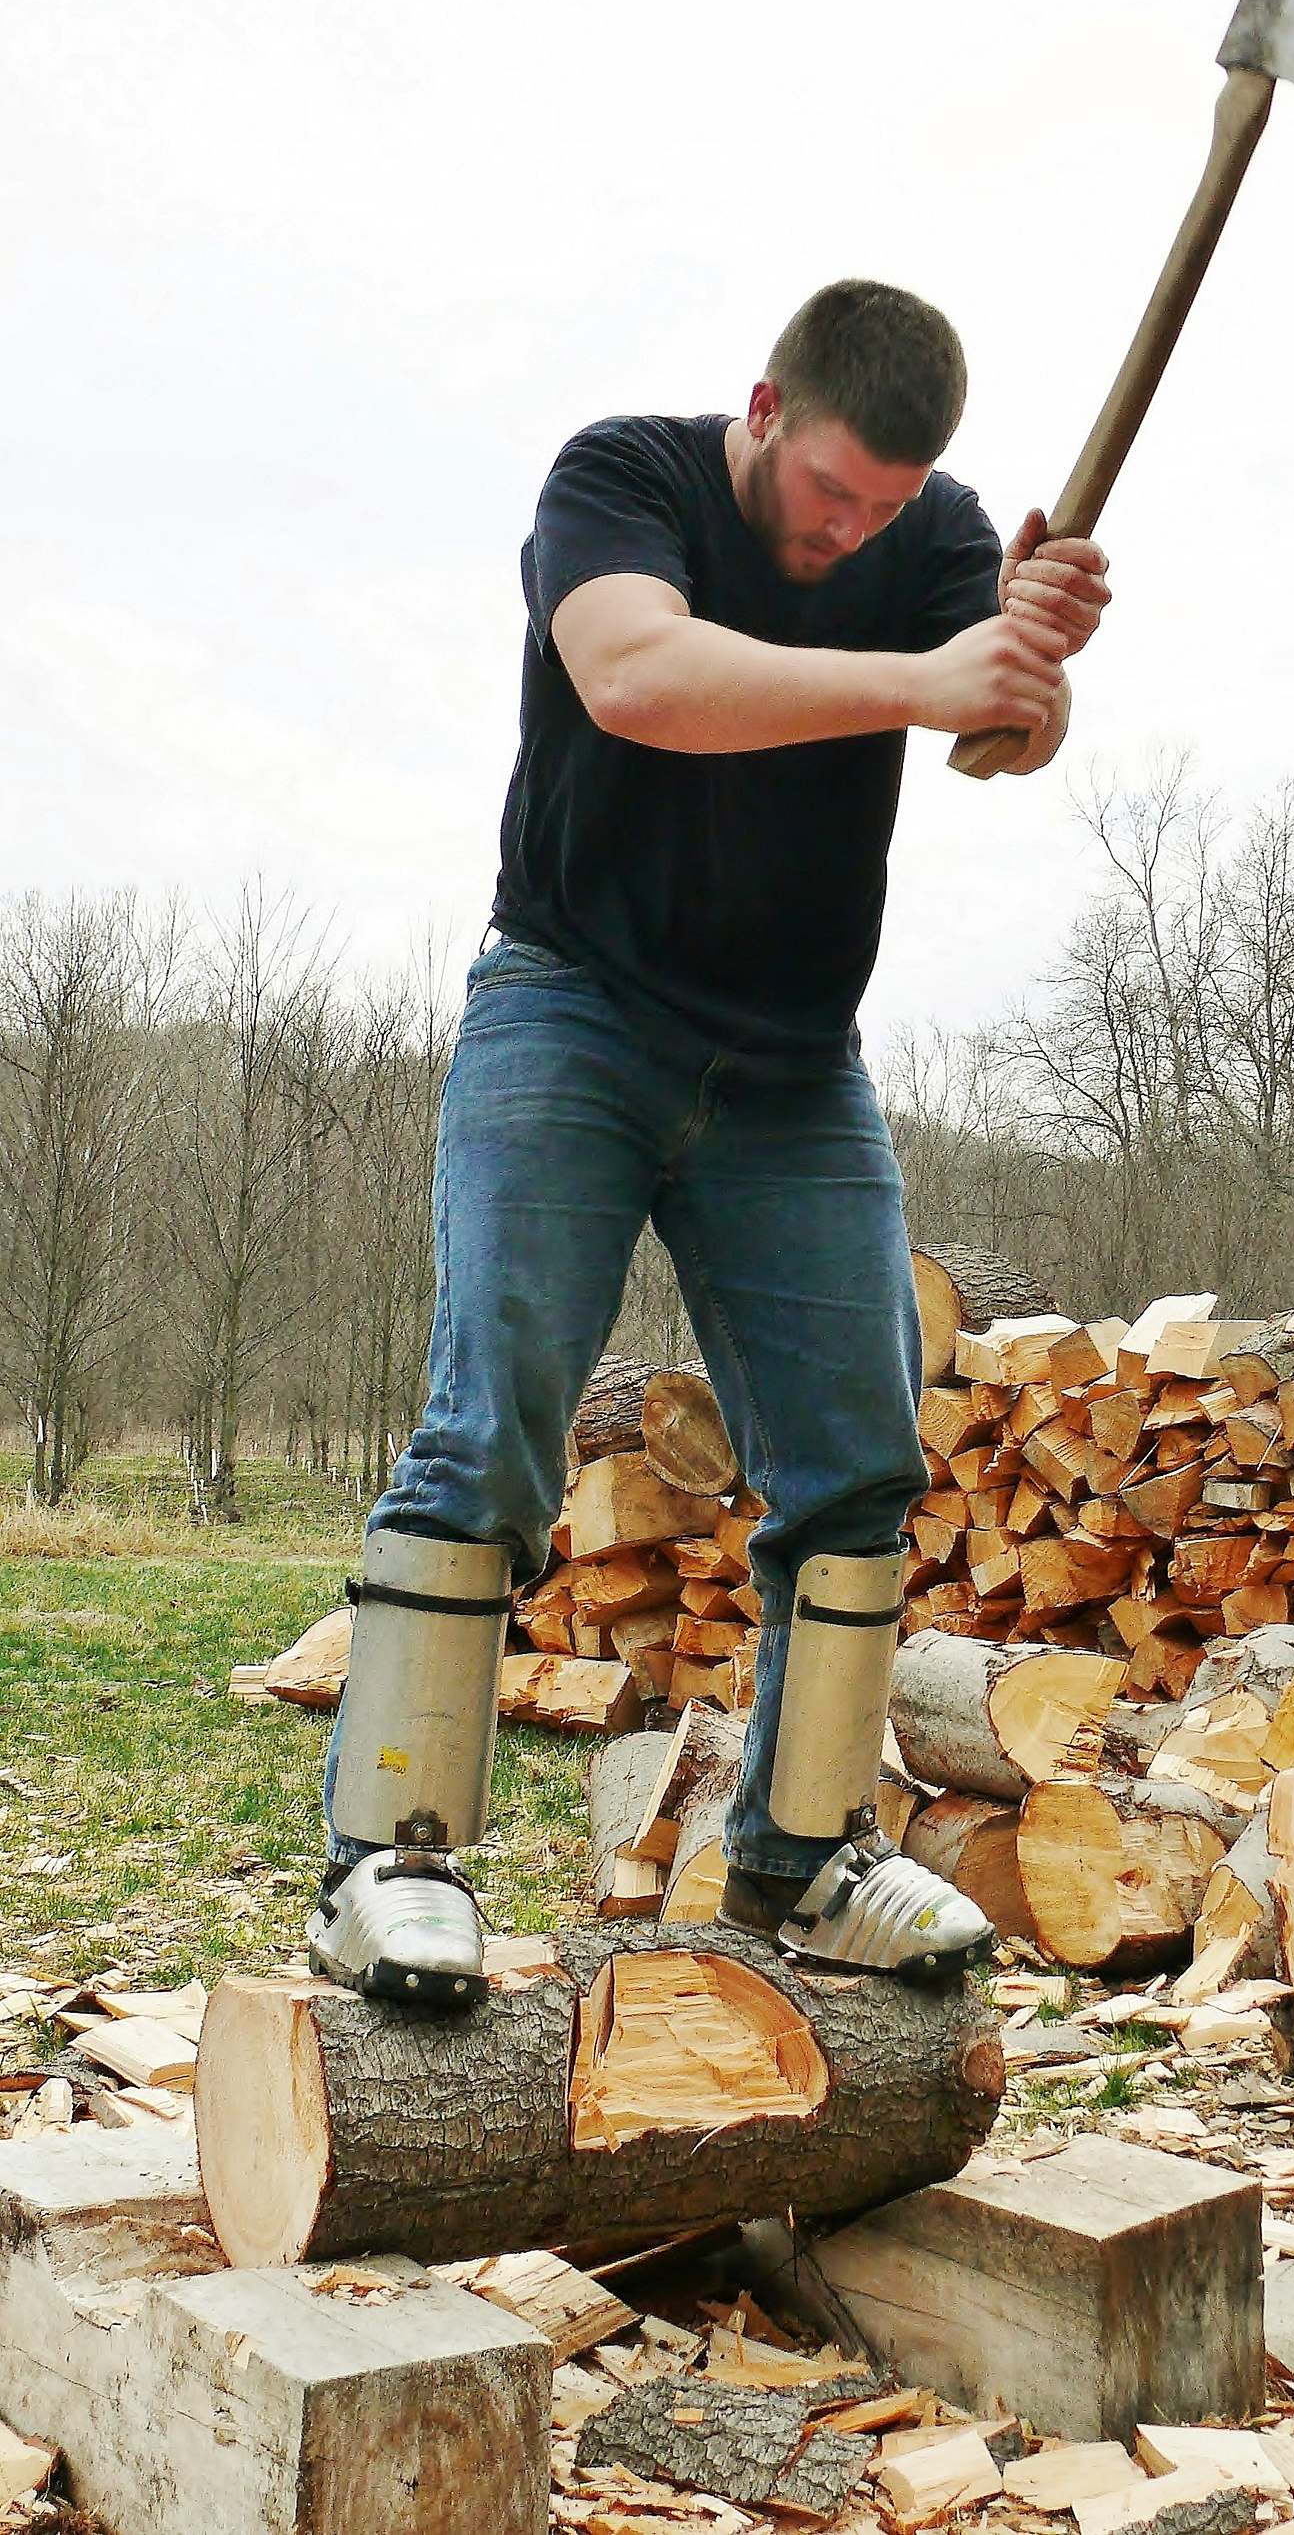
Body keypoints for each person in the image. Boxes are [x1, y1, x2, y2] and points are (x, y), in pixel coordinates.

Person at [306, 279, 1109, 2004]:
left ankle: (803, 1858)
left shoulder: (934, 535)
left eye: (888, 506)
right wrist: (931, 672)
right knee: (493, 1422)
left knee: (856, 1464)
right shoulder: (624, 477)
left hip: (792, 1068)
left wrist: (1030, 657)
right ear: (763, 411)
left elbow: (1003, 742)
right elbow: (634, 676)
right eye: (830, 493)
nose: (851, 532)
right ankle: (388, 1860)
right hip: (571, 1009)